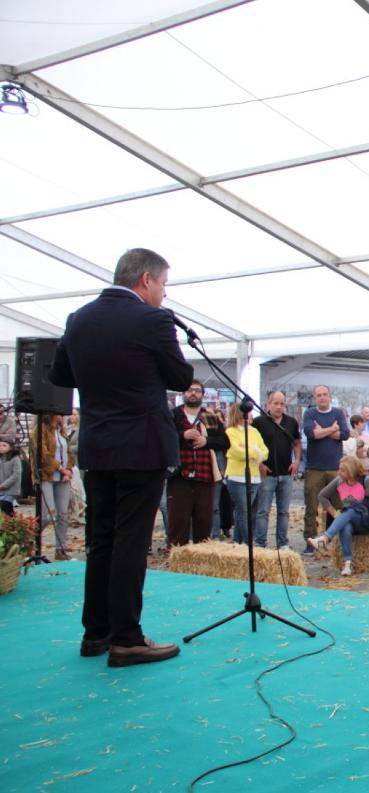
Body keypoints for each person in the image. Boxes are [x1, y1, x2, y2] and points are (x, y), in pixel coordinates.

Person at [49, 247, 193, 666]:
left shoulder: (79, 319)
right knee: (132, 540)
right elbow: (181, 377)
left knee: (101, 539)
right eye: (164, 284)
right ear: (145, 280)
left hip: (97, 444)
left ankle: (96, 633)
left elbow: (60, 375)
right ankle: (127, 638)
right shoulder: (153, 320)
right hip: (142, 446)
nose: (165, 294)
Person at [167, 380, 227, 546]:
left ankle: (201, 561)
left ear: (202, 394)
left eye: (197, 391)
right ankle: (177, 562)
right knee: (178, 523)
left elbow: (224, 441)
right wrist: (183, 435)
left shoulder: (208, 416)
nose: (193, 393)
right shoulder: (174, 415)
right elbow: (163, 438)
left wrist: (205, 441)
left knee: (204, 522)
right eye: (189, 390)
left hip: (204, 476)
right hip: (179, 476)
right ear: (183, 394)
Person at [307, 455, 369, 576]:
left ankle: (325, 538)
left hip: (367, 520)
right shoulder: (339, 481)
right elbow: (322, 496)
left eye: (342, 470)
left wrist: (353, 510)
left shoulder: (367, 481)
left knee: (350, 510)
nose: (339, 472)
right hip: (349, 519)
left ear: (351, 470)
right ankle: (348, 563)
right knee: (345, 525)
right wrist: (334, 513)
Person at [302, 384, 349, 552]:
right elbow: (311, 434)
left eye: (325, 394)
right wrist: (332, 429)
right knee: (311, 506)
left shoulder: (338, 413)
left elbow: (345, 434)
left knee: (337, 505)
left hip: (336, 468)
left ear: (329, 396)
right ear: (315, 398)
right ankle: (310, 541)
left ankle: (333, 539)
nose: (322, 397)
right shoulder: (309, 413)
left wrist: (323, 431)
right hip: (314, 468)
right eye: (319, 395)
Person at [251, 391, 301, 549]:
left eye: (282, 404)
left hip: (286, 473)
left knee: (284, 511)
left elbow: (297, 443)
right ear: (268, 404)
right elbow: (252, 446)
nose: (279, 407)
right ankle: (260, 542)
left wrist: (297, 461)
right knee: (263, 510)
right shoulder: (259, 422)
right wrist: (259, 464)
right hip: (267, 473)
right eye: (276, 403)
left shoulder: (291, 422)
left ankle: (282, 542)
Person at [223, 403, 267, 545]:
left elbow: (265, 452)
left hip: (254, 477)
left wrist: (250, 450)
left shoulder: (254, 431)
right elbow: (237, 451)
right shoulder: (230, 431)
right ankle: (249, 543)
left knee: (245, 511)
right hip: (236, 476)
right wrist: (255, 451)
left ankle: (237, 541)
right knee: (243, 511)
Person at [34, 413, 75, 560]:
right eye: (60, 414)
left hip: (63, 477)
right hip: (47, 476)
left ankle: (60, 550)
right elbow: (43, 455)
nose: (62, 416)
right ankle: (30, 539)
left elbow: (69, 452)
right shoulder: (41, 429)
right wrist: (60, 468)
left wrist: (69, 469)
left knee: (63, 514)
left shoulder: (61, 431)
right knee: (47, 514)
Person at [0, 439, 21, 516]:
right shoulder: (1, 459)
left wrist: (3, 485)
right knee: (6, 510)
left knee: (5, 506)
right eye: (0, 445)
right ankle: (11, 525)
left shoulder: (15, 458)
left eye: (4, 445)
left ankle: (10, 525)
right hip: (1, 490)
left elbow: (16, 474)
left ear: (10, 447)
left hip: (11, 489)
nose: (1, 447)